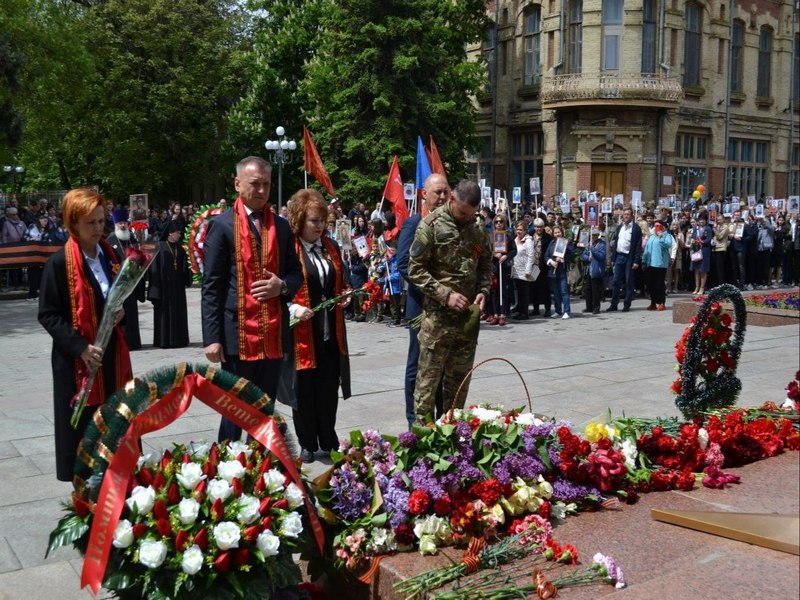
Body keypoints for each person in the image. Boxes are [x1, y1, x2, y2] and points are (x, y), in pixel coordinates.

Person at [201, 156, 303, 443]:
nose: (261, 190)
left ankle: (261, 469)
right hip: (237, 336)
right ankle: (226, 470)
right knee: (235, 408)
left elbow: (296, 273)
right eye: (254, 184)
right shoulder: (222, 226)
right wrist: (212, 338)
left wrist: (281, 285)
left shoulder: (280, 227)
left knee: (264, 407)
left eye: (266, 184)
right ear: (237, 184)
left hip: (272, 334)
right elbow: (212, 286)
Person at [38, 188, 132, 482]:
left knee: (115, 425)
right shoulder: (59, 263)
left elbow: (119, 296)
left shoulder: (111, 254)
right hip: (78, 364)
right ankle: (88, 495)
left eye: (101, 221)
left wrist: (122, 312)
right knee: (84, 435)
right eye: (91, 223)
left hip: (112, 357)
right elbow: (48, 314)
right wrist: (80, 347)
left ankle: (118, 486)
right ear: (73, 224)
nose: (98, 228)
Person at [408, 180, 491, 425]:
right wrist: (446, 295)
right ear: (452, 199)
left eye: (472, 214)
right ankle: (422, 441)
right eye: (463, 212)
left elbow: (485, 265)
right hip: (437, 322)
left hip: (466, 323)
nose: (467, 218)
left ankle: (453, 438)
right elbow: (415, 269)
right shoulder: (431, 226)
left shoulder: (477, 230)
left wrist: (483, 291)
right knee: (427, 386)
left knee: (458, 387)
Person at [285, 189, 351, 463]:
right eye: (314, 220)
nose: (320, 226)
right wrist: (293, 308)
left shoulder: (331, 247)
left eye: (323, 220)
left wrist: (346, 292)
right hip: (302, 333)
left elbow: (341, 279)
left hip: (330, 333)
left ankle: (328, 437)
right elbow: (282, 288)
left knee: (327, 388)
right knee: (304, 389)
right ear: (300, 221)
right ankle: (307, 442)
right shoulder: (290, 249)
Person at [397, 173, 449, 428]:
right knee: (418, 364)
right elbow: (403, 264)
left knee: (442, 365)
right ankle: (413, 418)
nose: (441, 197)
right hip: (422, 307)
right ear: (423, 195)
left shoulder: (452, 226)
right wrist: (434, 288)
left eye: (445, 192)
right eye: (436, 192)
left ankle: (441, 416)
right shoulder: (413, 224)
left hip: (448, 310)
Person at [148, 221, 192, 348]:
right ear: (170, 234)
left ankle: (179, 340)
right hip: (164, 288)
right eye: (177, 233)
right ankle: (164, 341)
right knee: (164, 314)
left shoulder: (180, 249)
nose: (179, 235)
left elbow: (185, 269)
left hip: (177, 288)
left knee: (178, 313)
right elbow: (153, 270)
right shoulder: (159, 247)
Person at [106, 208, 144, 350]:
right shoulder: (110, 240)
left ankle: (133, 342)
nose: (123, 225)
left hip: (131, 282)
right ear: (116, 224)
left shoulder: (131, 238)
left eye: (124, 223)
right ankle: (121, 342)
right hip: (118, 284)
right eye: (120, 223)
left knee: (132, 313)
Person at [607, 208, 643, 312]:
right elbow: (616, 243)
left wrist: (636, 261)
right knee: (615, 281)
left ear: (632, 216)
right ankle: (614, 304)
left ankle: (627, 304)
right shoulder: (620, 227)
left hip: (629, 258)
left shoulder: (636, 229)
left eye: (628, 214)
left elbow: (638, 246)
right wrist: (613, 258)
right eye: (624, 214)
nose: (625, 216)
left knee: (628, 281)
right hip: (619, 256)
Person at [487, 214, 516, 326]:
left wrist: (506, 256)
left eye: (501, 222)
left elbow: (514, 250)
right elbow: (487, 250)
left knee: (502, 290)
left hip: (503, 266)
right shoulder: (490, 235)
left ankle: (502, 314)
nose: (498, 224)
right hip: (494, 266)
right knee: (494, 291)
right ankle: (495, 314)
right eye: (496, 222)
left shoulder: (508, 235)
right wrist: (494, 254)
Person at [642, 220, 673, 311]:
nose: (656, 227)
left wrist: (661, 237)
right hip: (650, 263)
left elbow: (668, 245)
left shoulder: (667, 236)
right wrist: (644, 261)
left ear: (663, 227)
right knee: (651, 284)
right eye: (655, 226)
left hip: (660, 264)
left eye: (658, 226)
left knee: (659, 284)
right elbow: (647, 249)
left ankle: (661, 302)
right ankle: (653, 302)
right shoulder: (651, 237)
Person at [545, 225, 574, 319]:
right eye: (555, 232)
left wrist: (563, 259)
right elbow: (546, 256)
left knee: (564, 292)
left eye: (559, 232)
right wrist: (551, 262)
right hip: (552, 271)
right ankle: (558, 310)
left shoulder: (567, 242)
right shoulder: (551, 243)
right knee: (556, 293)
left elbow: (572, 254)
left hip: (562, 271)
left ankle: (566, 311)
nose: (557, 234)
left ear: (562, 232)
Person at [510, 220, 535, 320]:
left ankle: (524, 313)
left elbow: (531, 256)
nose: (518, 231)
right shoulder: (515, 239)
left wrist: (528, 270)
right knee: (519, 292)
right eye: (517, 229)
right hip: (516, 269)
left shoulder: (528, 241)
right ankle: (519, 310)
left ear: (525, 230)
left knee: (524, 293)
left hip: (524, 271)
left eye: (520, 230)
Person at [530, 218, 553, 317]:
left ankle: (547, 309)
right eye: (537, 227)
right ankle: (536, 309)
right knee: (534, 288)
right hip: (533, 266)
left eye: (540, 227)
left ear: (543, 227)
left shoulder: (548, 238)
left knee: (545, 289)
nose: (538, 228)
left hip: (544, 266)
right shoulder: (530, 236)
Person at [581, 228, 606, 314]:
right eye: (592, 235)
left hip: (596, 269)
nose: (594, 237)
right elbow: (583, 255)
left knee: (595, 290)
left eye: (595, 235)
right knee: (588, 289)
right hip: (588, 269)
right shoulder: (589, 244)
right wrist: (588, 257)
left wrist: (593, 251)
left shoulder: (602, 244)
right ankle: (589, 307)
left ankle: (596, 307)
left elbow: (601, 257)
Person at [689, 212, 713, 295]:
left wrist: (701, 241)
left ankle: (702, 288)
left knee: (703, 270)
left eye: (703, 220)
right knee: (696, 269)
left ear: (706, 221)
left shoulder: (708, 228)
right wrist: (693, 240)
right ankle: (697, 286)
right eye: (700, 220)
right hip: (696, 251)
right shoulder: (696, 228)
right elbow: (692, 237)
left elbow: (709, 239)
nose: (701, 221)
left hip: (704, 250)